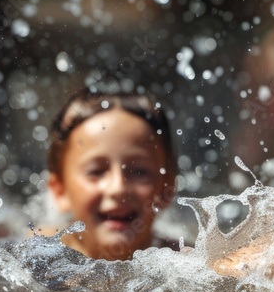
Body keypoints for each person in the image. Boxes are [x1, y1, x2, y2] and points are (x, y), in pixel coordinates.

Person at [45, 87, 177, 260]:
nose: (118, 188)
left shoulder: (190, 261)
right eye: (96, 172)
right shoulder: (38, 261)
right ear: (60, 191)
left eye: (139, 171)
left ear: (168, 186)